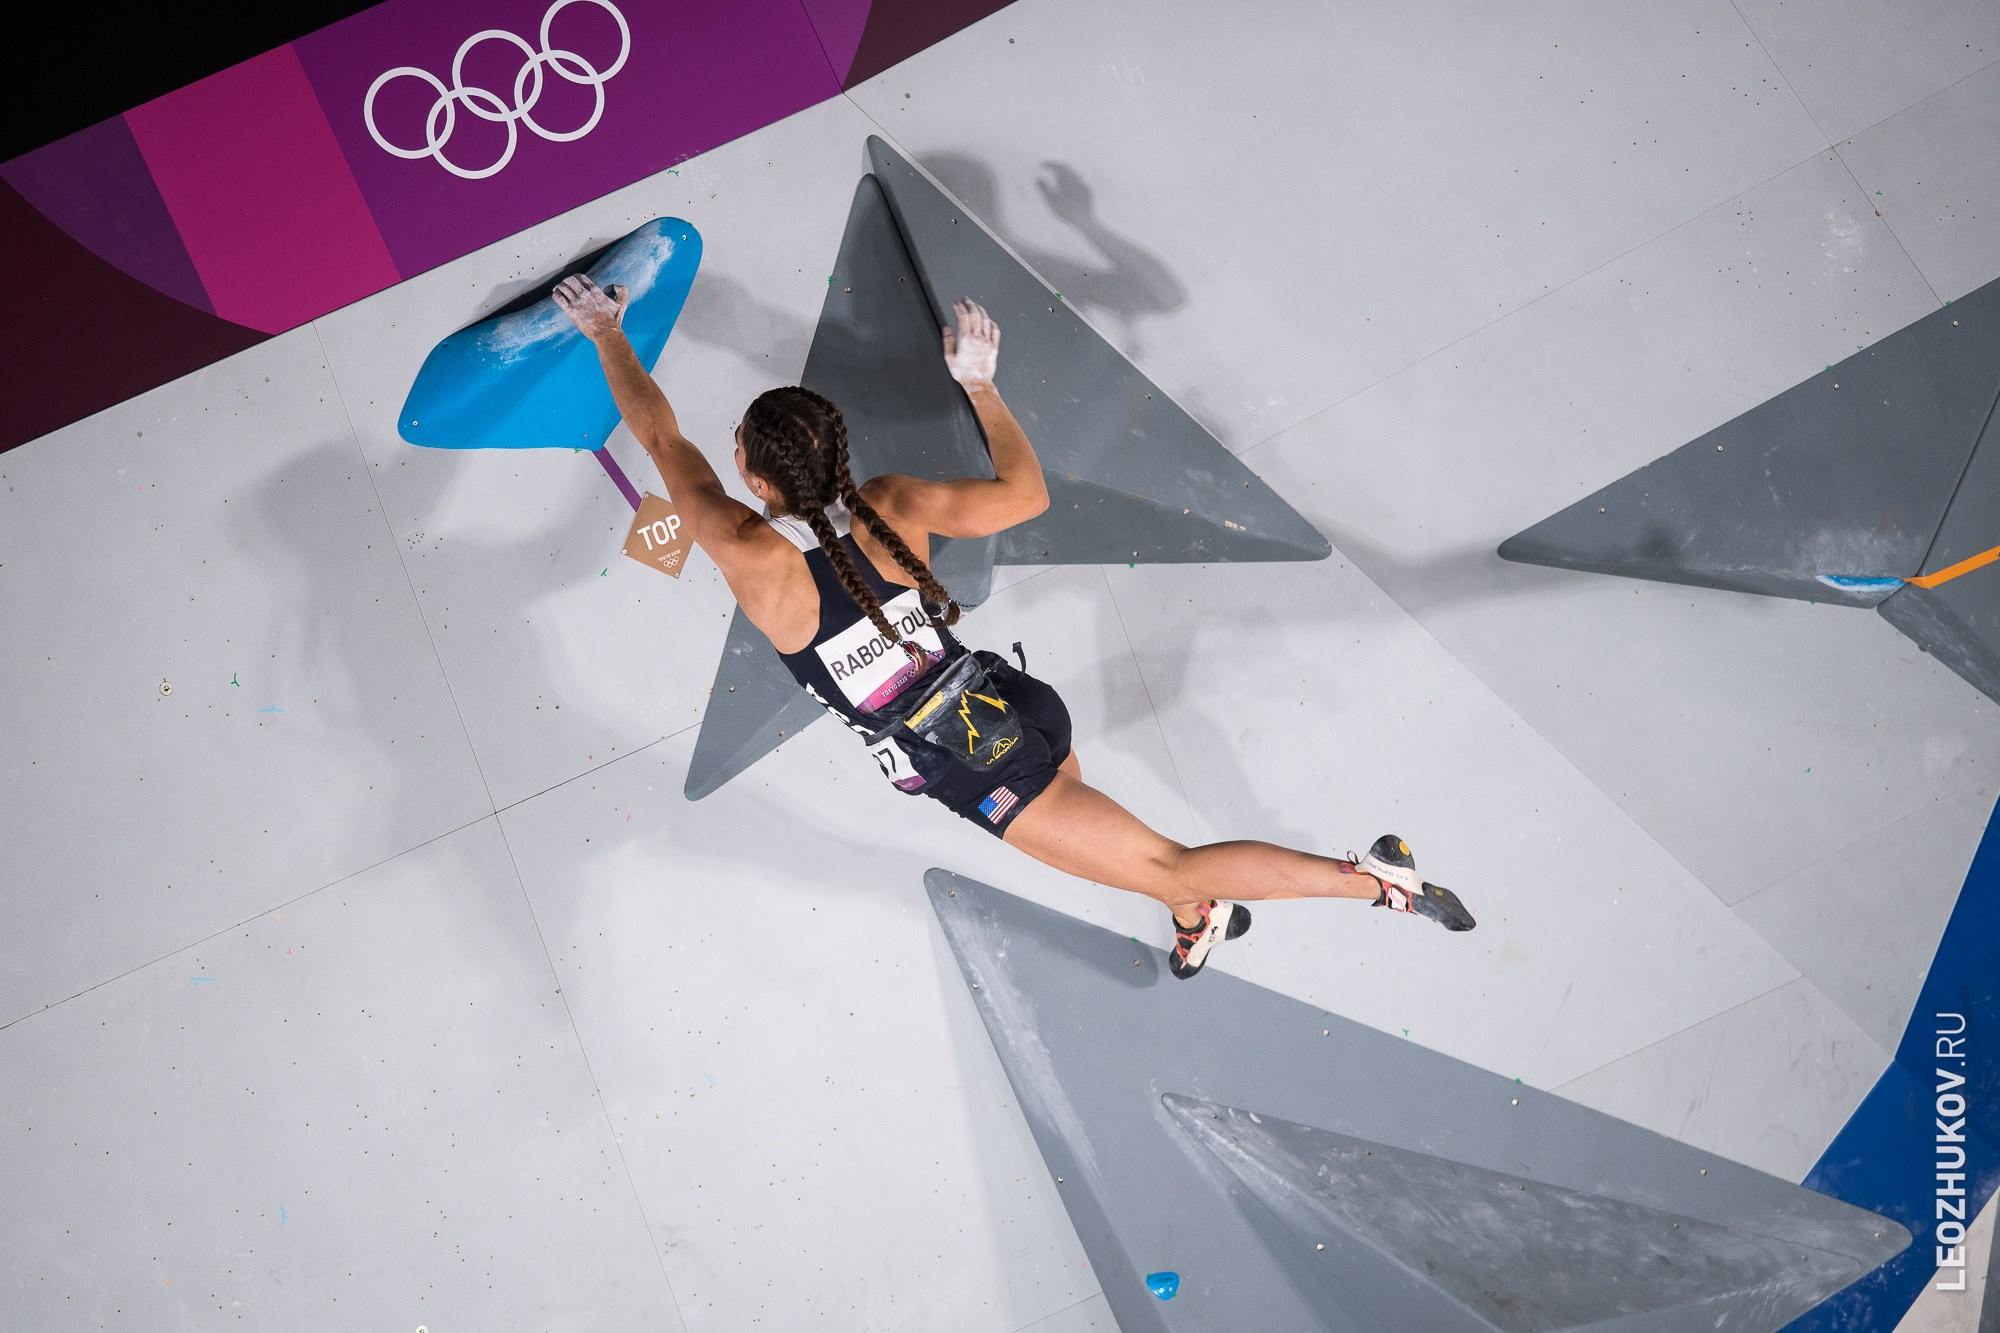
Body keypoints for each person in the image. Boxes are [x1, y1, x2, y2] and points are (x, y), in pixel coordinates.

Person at [554, 275, 1474, 978]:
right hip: (1019, 704)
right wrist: (981, 385)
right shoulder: (890, 500)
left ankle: (1372, 881)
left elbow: (663, 438)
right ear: (840, 448)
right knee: (1146, 856)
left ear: (755, 480)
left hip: (982, 763)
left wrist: (605, 331)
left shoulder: (746, 549)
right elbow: (1026, 493)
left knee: (1174, 860)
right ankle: (1200, 920)